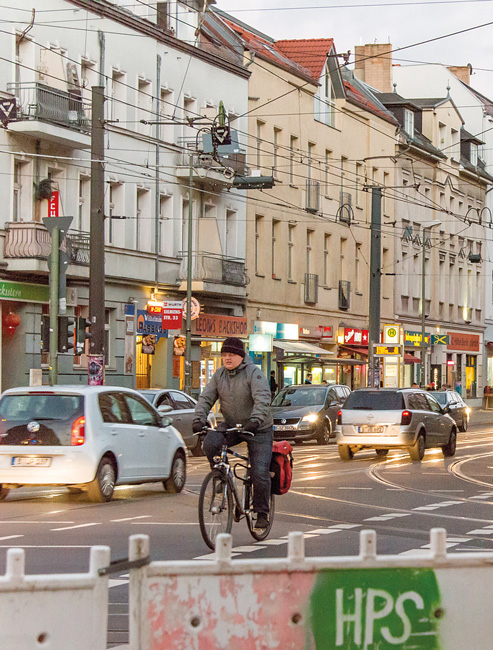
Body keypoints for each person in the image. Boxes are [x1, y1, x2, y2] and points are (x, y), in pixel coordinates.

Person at [193, 337, 273, 531]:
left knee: (259, 471)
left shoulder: (254, 373)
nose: (227, 358)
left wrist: (255, 420)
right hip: (232, 425)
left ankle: (261, 512)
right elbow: (206, 398)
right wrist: (198, 418)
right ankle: (221, 478)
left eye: (231, 355)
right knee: (211, 442)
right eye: (224, 355)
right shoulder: (219, 375)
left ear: (241, 356)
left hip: (258, 428)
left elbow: (262, 398)